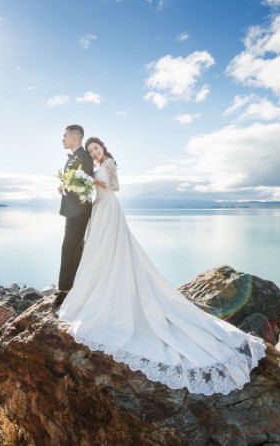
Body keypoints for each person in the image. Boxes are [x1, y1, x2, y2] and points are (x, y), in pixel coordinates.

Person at [57, 137, 266, 396]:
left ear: (103, 148)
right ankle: (96, 287)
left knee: (112, 250)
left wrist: (93, 181)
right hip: (99, 210)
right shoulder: (92, 166)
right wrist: (80, 186)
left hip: (110, 209)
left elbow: (115, 186)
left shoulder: (109, 162)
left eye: (95, 148)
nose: (94, 153)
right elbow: (93, 191)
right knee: (97, 251)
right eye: (90, 151)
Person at [54, 124, 95, 310]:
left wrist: (68, 188)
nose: (63, 139)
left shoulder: (84, 158)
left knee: (69, 248)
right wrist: (64, 187)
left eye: (65, 136)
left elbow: (85, 187)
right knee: (76, 248)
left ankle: (64, 291)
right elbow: (73, 184)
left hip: (78, 211)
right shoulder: (74, 158)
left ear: (75, 136)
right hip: (73, 210)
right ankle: (75, 287)